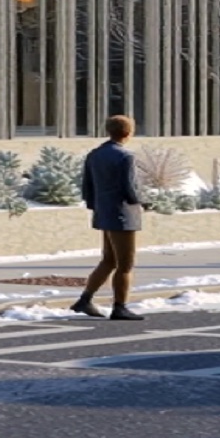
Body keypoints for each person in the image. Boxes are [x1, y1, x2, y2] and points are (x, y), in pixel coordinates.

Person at [71, 113, 147, 322]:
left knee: (108, 260)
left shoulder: (95, 154)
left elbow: (87, 187)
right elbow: (130, 189)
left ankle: (85, 299)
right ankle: (120, 306)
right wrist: (144, 201)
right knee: (125, 264)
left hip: (103, 212)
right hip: (123, 214)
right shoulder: (126, 156)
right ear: (128, 132)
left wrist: (96, 207)